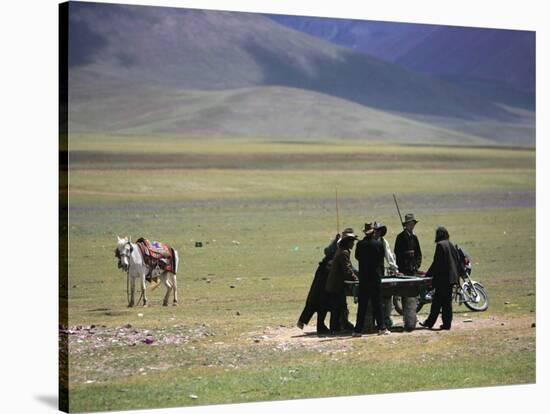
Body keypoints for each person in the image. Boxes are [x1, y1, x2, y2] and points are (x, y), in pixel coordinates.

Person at [297, 228, 353, 334]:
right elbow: (346, 266)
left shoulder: (339, 247)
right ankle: (329, 325)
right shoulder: (340, 249)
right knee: (323, 302)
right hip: (325, 277)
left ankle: (329, 324)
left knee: (320, 302)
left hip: (325, 277)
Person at [353, 223, 391, 337]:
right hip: (375, 277)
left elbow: (357, 257)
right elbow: (381, 258)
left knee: (362, 305)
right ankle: (381, 328)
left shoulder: (360, 244)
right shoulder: (378, 244)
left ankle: (358, 330)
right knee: (377, 303)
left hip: (364, 278)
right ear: (373, 232)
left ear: (364, 232)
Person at [420, 226, 460, 330]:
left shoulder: (440, 245)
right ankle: (445, 324)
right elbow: (456, 261)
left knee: (438, 302)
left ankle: (430, 323)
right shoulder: (450, 244)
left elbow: (437, 263)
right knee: (445, 303)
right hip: (451, 278)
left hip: (443, 279)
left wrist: (428, 275)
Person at [325, 230, 358, 334]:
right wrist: (356, 279)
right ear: (347, 242)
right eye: (352, 242)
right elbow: (347, 270)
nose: (353, 244)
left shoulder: (342, 250)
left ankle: (338, 327)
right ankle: (335, 328)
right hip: (336, 285)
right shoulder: (344, 252)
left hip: (335, 284)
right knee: (337, 307)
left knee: (339, 306)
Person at [372, 221, 398, 327]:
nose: (377, 233)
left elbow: (389, 257)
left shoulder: (383, 242)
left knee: (387, 296)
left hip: (380, 272)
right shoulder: (369, 241)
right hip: (370, 273)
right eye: (376, 230)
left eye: (379, 231)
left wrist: (395, 269)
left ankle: (386, 318)